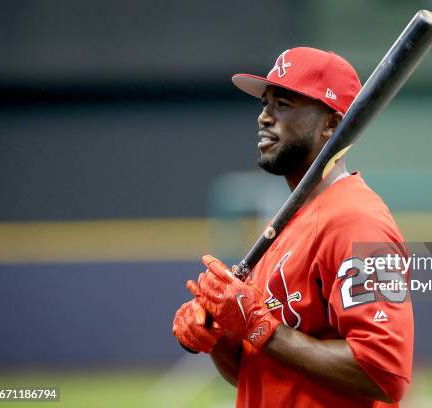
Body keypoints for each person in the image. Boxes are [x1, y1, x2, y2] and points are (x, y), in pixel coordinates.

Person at [172, 47, 413, 407]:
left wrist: (260, 326)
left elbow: (384, 371)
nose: (264, 118)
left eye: (282, 104)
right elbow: (262, 373)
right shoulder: (285, 223)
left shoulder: (358, 221)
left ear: (332, 124)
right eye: (265, 104)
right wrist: (221, 337)